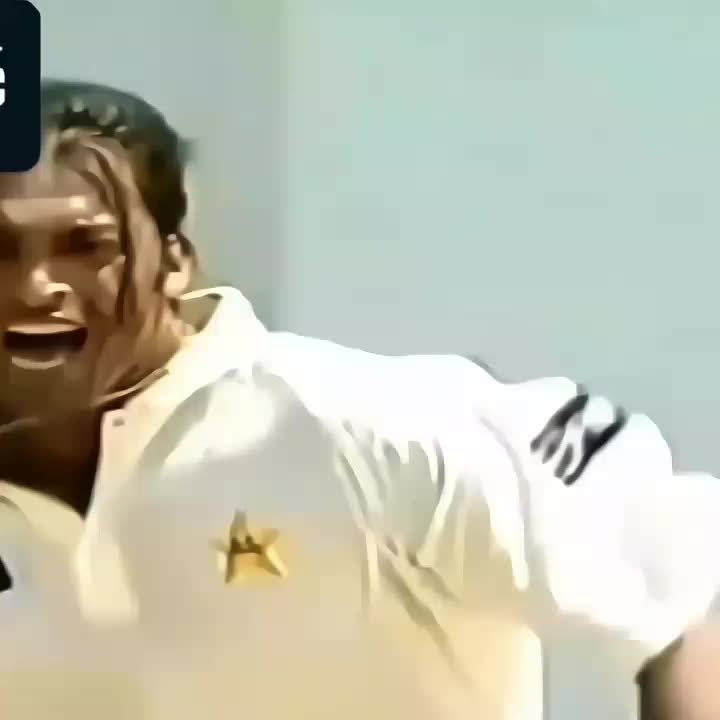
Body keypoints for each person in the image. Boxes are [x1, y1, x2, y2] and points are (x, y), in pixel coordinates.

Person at [0, 78, 718, 719]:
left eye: (87, 246)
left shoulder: (377, 424)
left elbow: (686, 604)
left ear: (176, 261)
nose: (36, 288)